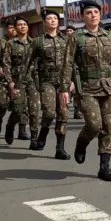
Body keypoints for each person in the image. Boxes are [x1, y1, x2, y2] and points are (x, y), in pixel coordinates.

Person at [59, 0, 111, 182]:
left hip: (108, 87)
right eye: (89, 13)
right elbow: (67, 63)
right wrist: (64, 88)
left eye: (96, 12)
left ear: (100, 15)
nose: (93, 15)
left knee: (108, 127)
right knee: (94, 125)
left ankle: (104, 166)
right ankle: (82, 143)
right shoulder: (77, 37)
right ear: (83, 16)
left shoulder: (108, 36)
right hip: (87, 88)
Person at [23, 9, 70, 159]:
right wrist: (21, 83)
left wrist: (74, 81)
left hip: (63, 82)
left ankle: (60, 148)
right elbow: (28, 62)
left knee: (63, 114)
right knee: (49, 112)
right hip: (46, 81)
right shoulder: (39, 41)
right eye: (49, 18)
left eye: (55, 18)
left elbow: (72, 62)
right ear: (44, 22)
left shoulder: (66, 40)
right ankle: (43, 132)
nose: (52, 21)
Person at [1, 17, 39, 147]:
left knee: (34, 110)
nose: (22, 26)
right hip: (18, 82)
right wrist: (10, 82)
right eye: (19, 25)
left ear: (28, 27)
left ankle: (34, 139)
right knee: (18, 109)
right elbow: (6, 64)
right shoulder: (11, 44)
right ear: (15, 28)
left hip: (32, 80)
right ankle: (10, 126)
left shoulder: (34, 43)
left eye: (24, 24)